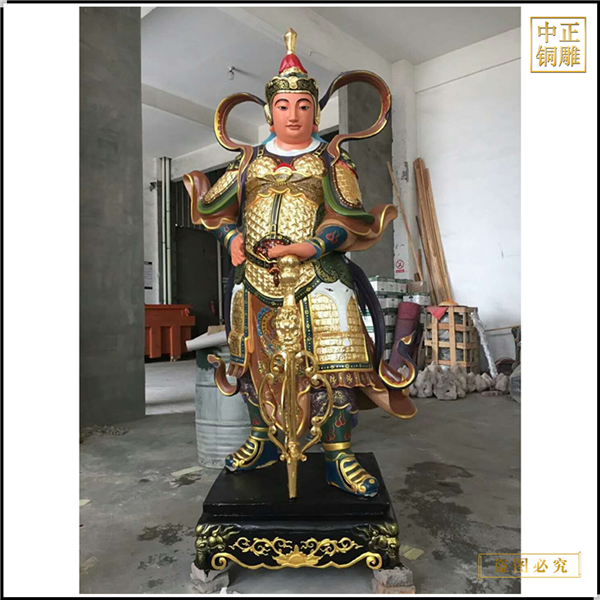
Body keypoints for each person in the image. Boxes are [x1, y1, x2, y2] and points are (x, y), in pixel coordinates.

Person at [185, 29, 416, 498]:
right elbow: (217, 210)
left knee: (336, 364)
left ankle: (338, 454)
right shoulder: (248, 161)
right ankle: (261, 440)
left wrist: (311, 246)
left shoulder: (331, 161)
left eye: (304, 106)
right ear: (270, 112)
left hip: (319, 279)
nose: (293, 115)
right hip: (255, 279)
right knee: (253, 363)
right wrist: (231, 238)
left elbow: (346, 217)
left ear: (316, 112)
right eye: (284, 106)